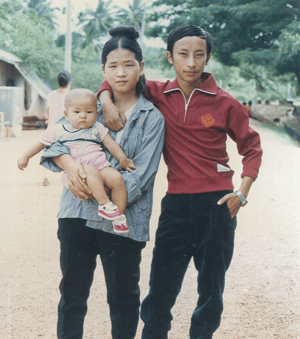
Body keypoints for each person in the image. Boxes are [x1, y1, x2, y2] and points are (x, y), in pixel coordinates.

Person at [98, 24, 263, 339]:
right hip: (175, 205)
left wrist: (241, 194)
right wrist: (105, 101)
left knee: (211, 286)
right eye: (183, 55)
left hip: (216, 204)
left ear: (208, 58)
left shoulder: (225, 102)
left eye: (199, 55)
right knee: (161, 284)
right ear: (170, 57)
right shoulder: (159, 92)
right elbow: (118, 74)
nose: (191, 63)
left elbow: (252, 148)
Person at [40, 26, 165, 339]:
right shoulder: (84, 106)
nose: (120, 73)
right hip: (76, 214)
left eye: (128, 65)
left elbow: (143, 174)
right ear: (103, 69)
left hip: (123, 220)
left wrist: (98, 191)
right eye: (113, 66)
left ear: (142, 67)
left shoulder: (152, 118)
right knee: (72, 297)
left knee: (123, 298)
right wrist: (70, 167)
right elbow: (54, 141)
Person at [17, 88, 136, 233]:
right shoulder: (59, 130)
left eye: (89, 112)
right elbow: (41, 143)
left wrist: (122, 158)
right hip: (80, 173)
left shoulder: (97, 128)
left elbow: (110, 144)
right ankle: (104, 204)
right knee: (90, 170)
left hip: (101, 168)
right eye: (77, 112)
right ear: (66, 114)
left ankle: (119, 217)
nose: (83, 116)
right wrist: (26, 156)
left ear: (96, 114)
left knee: (117, 178)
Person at [42, 70, 72, 186]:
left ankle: (46, 176)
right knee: (69, 154)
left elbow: (47, 111)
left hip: (52, 127)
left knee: (49, 152)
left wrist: (48, 119)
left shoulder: (51, 94)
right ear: (69, 81)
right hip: (66, 128)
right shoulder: (70, 95)